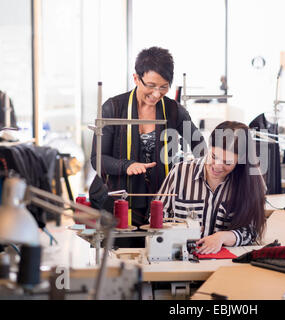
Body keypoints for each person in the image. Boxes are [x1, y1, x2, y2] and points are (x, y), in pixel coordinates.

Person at [90, 47, 205, 228]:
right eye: (151, 86)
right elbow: (97, 160)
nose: (157, 94)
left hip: (162, 201)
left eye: (164, 87)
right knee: (123, 253)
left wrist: (191, 171)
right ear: (136, 78)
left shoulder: (175, 111)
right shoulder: (113, 108)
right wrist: (127, 165)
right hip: (120, 201)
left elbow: (200, 148)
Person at [156, 121, 266, 254]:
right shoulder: (180, 172)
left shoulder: (248, 184)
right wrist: (177, 230)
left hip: (223, 265)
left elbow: (252, 231)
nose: (217, 166)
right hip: (178, 258)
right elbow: (156, 217)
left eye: (228, 162)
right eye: (214, 156)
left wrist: (222, 237)